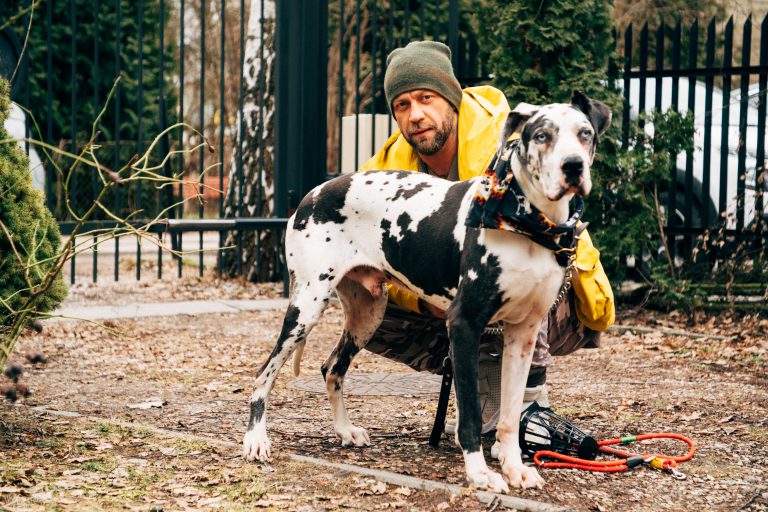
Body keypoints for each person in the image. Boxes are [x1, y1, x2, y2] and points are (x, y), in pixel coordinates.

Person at [357, 41, 614, 443]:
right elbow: (365, 244)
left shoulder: (506, 140)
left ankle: (528, 403)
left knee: (517, 265)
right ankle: (468, 364)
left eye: (426, 98)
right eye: (402, 105)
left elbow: (552, 245)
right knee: (368, 305)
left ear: (452, 99)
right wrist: (418, 295)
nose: (416, 115)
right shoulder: (387, 168)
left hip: (556, 300)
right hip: (453, 300)